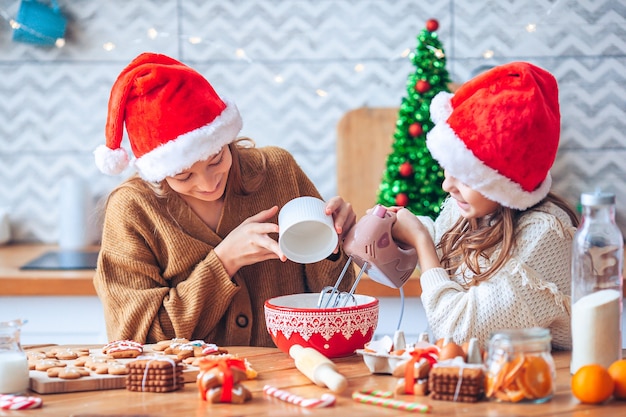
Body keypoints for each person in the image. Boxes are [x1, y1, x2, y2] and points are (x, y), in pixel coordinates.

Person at [92, 52, 356, 346]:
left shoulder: (278, 172)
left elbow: (335, 304)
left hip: (289, 378)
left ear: (225, 140)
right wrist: (224, 261)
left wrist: (333, 244)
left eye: (216, 159)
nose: (207, 183)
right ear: (158, 173)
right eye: (183, 176)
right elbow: (136, 342)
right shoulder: (133, 210)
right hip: (185, 389)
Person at [389, 62, 579, 350]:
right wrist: (390, 229)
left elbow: (459, 332)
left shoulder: (545, 235)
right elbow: (438, 241)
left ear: (502, 180)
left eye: (465, 175)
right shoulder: (468, 210)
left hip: (541, 385)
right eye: (447, 169)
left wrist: (419, 240)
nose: (446, 186)